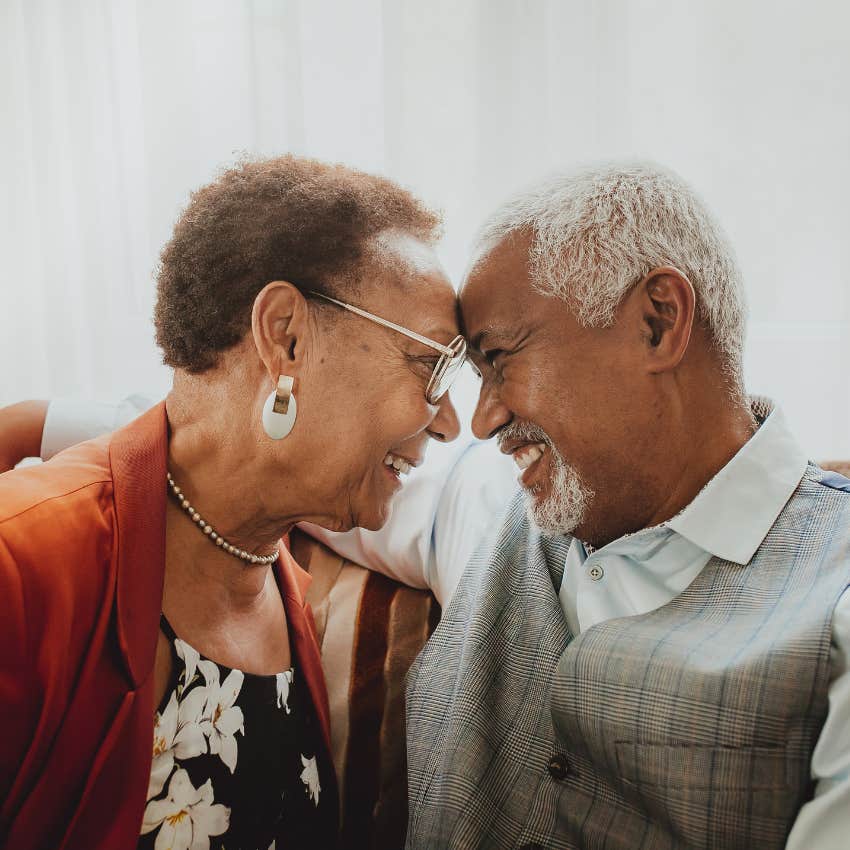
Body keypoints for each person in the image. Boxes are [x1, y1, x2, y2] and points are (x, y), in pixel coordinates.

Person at [5, 162, 850, 850]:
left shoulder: (837, 590)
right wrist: (33, 438)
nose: (473, 422)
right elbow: (230, 443)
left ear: (659, 322)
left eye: (495, 360)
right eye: (444, 371)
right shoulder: (501, 504)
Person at [0, 154, 464, 850]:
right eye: (433, 367)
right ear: (286, 336)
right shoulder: (21, 562)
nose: (451, 420)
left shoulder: (279, 583)